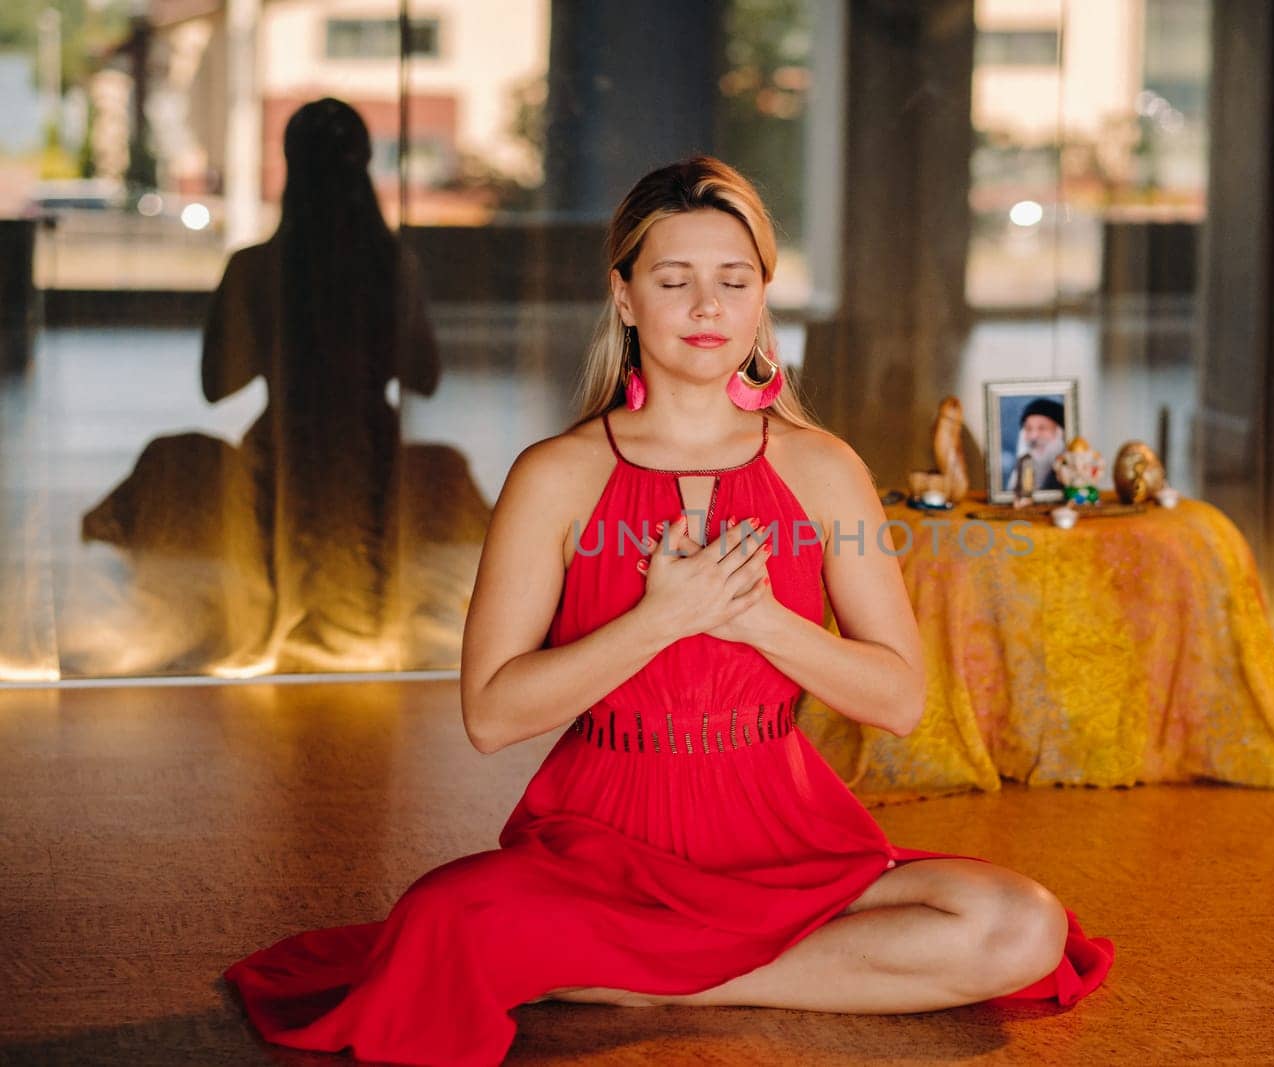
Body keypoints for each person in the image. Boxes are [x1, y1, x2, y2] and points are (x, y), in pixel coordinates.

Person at [223, 156, 1112, 1066]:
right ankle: (695, 957)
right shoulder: (556, 474)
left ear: (763, 296)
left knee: (1021, 926)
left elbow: (899, 699)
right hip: (602, 846)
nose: (705, 309)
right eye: (672, 280)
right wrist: (662, 614)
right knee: (442, 917)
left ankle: (661, 971)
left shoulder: (822, 467)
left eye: (733, 282)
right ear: (625, 296)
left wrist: (759, 617)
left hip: (787, 838)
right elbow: (491, 714)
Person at [80, 98, 489, 670]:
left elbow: (216, 383)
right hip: (365, 451)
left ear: (292, 166)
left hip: (282, 449)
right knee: (446, 473)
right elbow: (425, 375)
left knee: (168, 463)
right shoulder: (388, 264)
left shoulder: (258, 266)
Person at [1005, 397, 1067, 494]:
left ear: (1059, 433)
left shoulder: (1071, 473)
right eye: (1028, 429)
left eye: (1042, 428)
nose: (1034, 437)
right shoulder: (1017, 471)